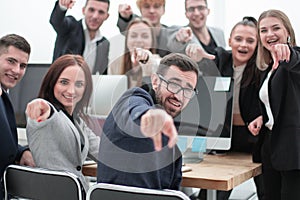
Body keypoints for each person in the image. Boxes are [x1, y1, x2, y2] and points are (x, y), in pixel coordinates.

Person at [186, 17, 265, 200]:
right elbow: (205, 63)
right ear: (230, 40)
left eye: (250, 40)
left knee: (266, 191)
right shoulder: (221, 57)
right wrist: (196, 56)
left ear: (258, 44)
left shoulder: (261, 66)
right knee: (213, 193)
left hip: (253, 139)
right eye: (238, 39)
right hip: (224, 138)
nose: (243, 45)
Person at [97, 53, 199, 190]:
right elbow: (136, 113)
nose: (179, 95)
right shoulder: (132, 100)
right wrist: (150, 116)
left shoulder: (172, 145)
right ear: (156, 81)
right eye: (174, 84)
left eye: (188, 89)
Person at [25, 54, 100, 192]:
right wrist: (38, 105)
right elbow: (44, 110)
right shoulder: (49, 113)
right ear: (52, 82)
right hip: (53, 193)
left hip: (76, 193)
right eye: (64, 82)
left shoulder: (77, 121)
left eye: (79, 84)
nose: (71, 90)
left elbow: (102, 151)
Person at [248, 9, 300, 200]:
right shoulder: (268, 69)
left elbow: (295, 61)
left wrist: (289, 53)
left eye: (276, 28)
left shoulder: (293, 60)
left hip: (293, 150)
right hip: (269, 146)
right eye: (263, 30)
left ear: (288, 31)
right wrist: (264, 116)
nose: (270, 34)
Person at [0, 34, 35, 199]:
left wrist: (21, 152)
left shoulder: (4, 95)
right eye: (11, 61)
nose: (16, 70)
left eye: (23, 65)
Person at [50, 0, 110, 74]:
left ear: (106, 16)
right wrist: (62, 6)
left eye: (101, 12)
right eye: (91, 10)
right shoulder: (70, 27)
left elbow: (102, 74)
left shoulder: (104, 43)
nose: (95, 16)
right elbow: (56, 21)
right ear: (83, 10)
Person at [167, 0, 226, 76]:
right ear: (186, 14)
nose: (196, 13)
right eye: (191, 9)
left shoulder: (219, 33)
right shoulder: (183, 33)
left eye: (200, 8)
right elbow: (173, 44)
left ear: (208, 11)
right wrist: (179, 39)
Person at [109, 17, 160, 88]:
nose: (139, 40)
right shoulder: (115, 64)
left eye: (145, 36)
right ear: (127, 40)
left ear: (152, 41)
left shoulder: (159, 63)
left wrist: (146, 58)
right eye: (133, 36)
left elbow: (154, 64)